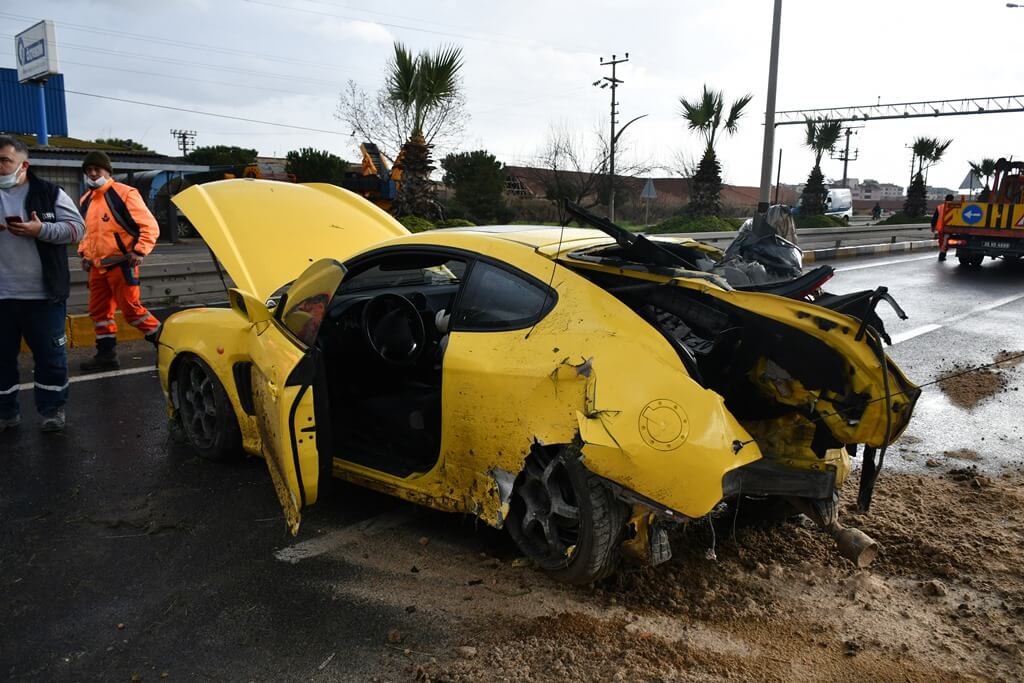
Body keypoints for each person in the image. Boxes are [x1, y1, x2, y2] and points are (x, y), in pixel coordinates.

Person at [0, 135, 86, 432]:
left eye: (4, 161)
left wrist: (41, 229)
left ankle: (52, 411)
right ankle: (5, 413)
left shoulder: (49, 193)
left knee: (50, 357)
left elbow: (77, 230)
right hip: (2, 297)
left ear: (23, 164)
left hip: (42, 295)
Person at [78, 151, 161, 371]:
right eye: (89, 170)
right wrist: (84, 254)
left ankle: (166, 346)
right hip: (97, 266)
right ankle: (106, 356)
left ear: (108, 171)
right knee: (99, 312)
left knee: (132, 310)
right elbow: (88, 233)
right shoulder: (86, 199)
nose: (93, 173)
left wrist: (140, 251)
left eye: (97, 169)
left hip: (122, 264)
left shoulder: (124, 193)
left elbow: (149, 226)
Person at [932, 193, 954, 262]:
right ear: (952, 200)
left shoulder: (940, 207)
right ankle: (942, 255)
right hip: (949, 229)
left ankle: (942, 254)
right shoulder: (954, 207)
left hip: (940, 228)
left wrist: (933, 226)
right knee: (945, 243)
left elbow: (934, 218)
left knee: (942, 242)